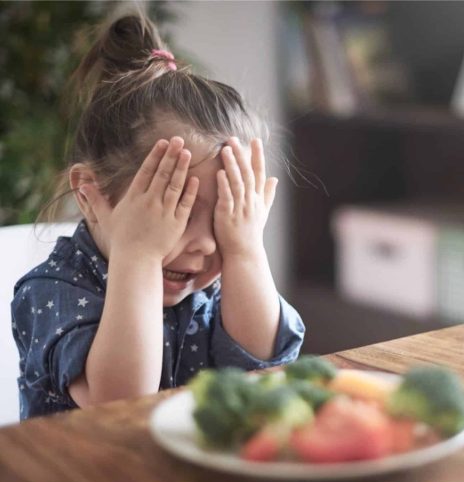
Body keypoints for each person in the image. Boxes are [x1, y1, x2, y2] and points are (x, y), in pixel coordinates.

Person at [11, 13, 305, 420]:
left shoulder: (218, 280)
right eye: (178, 213)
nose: (205, 243)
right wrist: (140, 256)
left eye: (223, 218)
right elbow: (120, 403)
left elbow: (266, 365)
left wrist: (245, 250)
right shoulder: (53, 290)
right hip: (81, 478)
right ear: (89, 194)